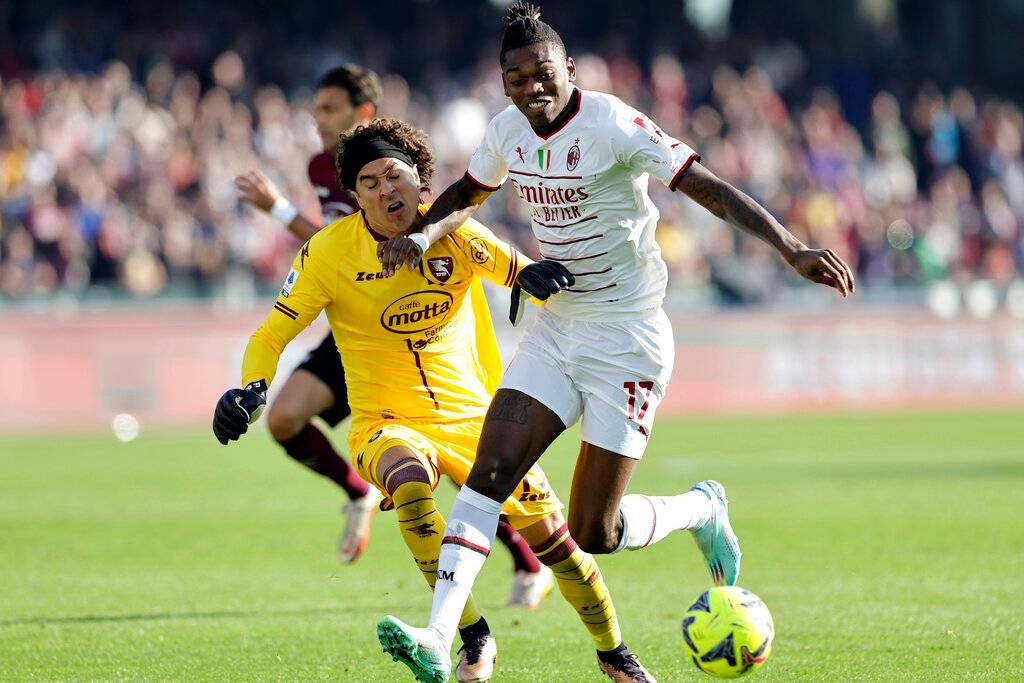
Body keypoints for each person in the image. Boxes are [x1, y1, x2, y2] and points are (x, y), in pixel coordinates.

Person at [373, 2, 857, 680]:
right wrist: (421, 235)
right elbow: (465, 190)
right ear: (503, 82)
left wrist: (790, 247)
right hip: (559, 326)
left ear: (568, 70)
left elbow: (708, 187)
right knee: (489, 475)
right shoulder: (506, 131)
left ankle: (700, 507)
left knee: (594, 529)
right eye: (516, 78)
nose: (532, 88)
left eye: (543, 74)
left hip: (627, 338)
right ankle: (437, 634)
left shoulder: (614, 123)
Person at [213, 118, 655, 682]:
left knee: (558, 546)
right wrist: (250, 387)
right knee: (409, 485)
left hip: (478, 423)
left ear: (422, 180)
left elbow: (519, 271)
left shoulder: (454, 235)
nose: (385, 189)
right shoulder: (327, 253)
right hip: (386, 423)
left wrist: (544, 278)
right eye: (368, 181)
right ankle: (470, 635)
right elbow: (271, 334)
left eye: (395, 174)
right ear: (353, 193)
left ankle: (613, 652)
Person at [233, 65, 553, 605]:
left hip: (419, 324)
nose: (318, 120)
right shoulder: (324, 168)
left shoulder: (395, 171)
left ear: (361, 113)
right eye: (315, 110)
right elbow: (338, 247)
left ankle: (527, 560)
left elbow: (399, 231)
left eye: (329, 110)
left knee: (452, 455)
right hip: (354, 326)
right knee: (285, 417)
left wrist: (279, 211)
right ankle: (358, 489)